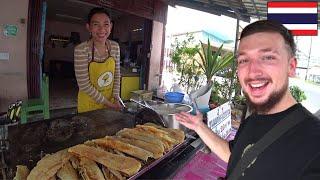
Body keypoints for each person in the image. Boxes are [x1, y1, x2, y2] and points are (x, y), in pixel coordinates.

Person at [175, 20, 320, 179]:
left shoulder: (314, 142)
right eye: (244, 60)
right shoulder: (253, 120)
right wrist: (198, 125)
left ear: (291, 67)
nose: (252, 71)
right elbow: (236, 157)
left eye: (267, 57)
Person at [74, 7, 122, 113]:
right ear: (89, 27)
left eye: (106, 24)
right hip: (89, 105)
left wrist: (116, 97)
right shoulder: (81, 49)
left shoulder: (115, 47)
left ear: (111, 26)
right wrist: (109, 104)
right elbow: (84, 85)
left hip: (110, 102)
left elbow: (117, 75)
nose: (101, 30)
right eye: (96, 24)